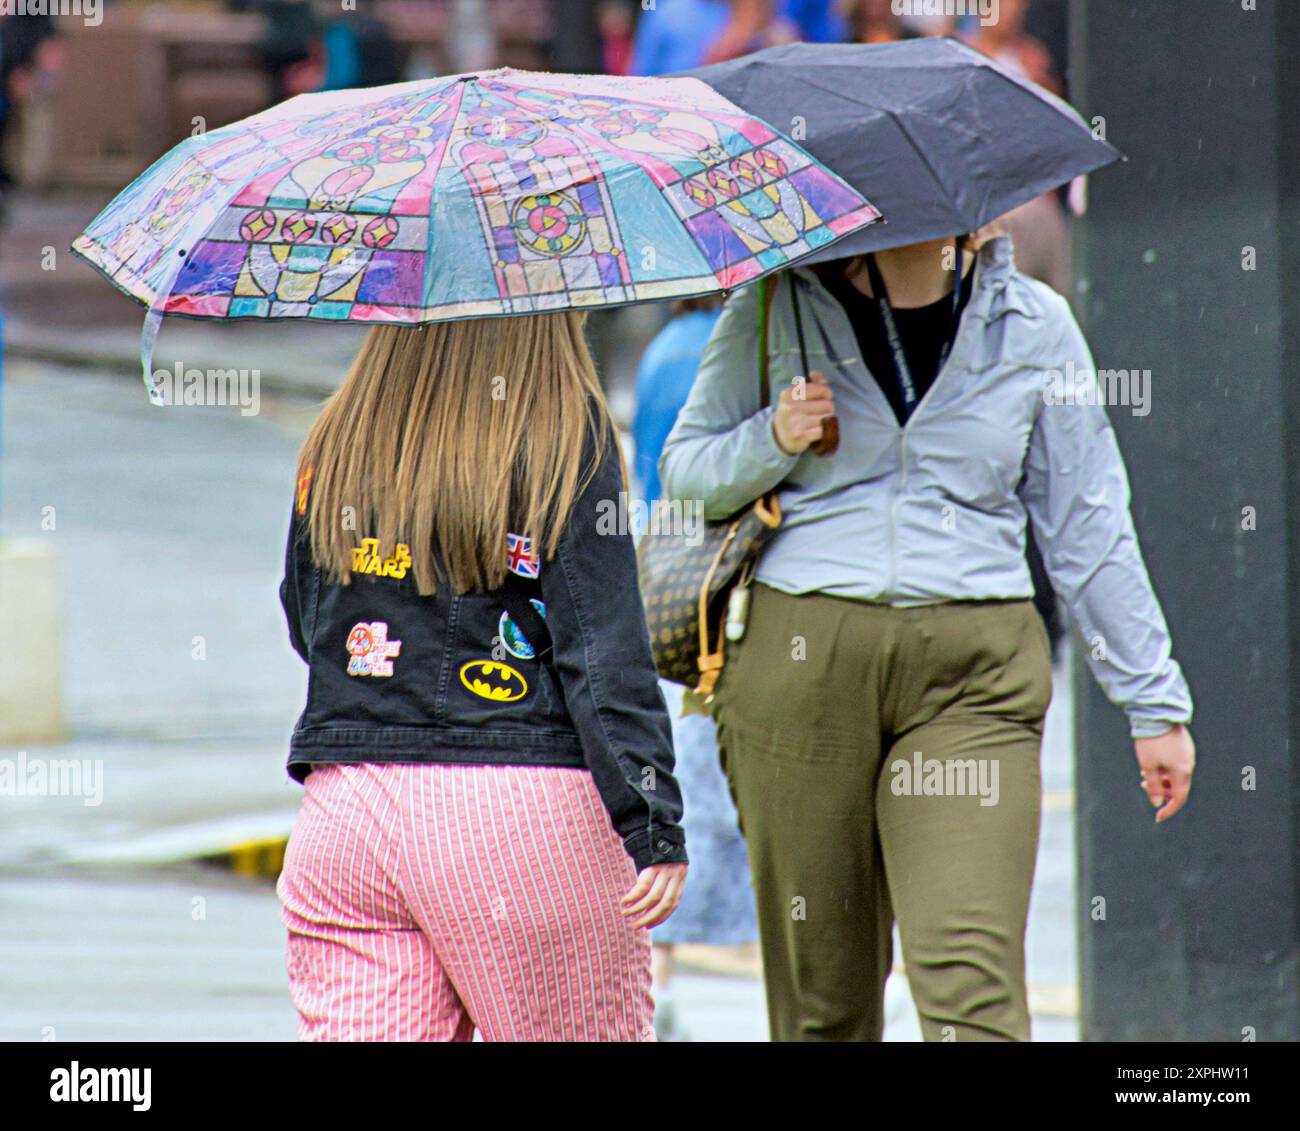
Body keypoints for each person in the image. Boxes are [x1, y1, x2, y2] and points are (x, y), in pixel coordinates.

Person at [660, 231, 1196, 1041]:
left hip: (972, 676)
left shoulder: (1034, 324)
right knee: (821, 1011)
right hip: (800, 667)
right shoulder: (773, 305)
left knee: (972, 1004)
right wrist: (774, 436)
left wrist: (1151, 700)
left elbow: (1089, 525)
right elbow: (686, 477)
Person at [277, 313, 689, 1042]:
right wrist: (650, 811)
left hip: (347, 810)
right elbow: (600, 648)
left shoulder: (338, 434)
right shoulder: (565, 432)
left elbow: (310, 623)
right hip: (519, 806)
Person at [631, 298, 760, 1040]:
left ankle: (660, 973)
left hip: (661, 567)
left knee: (669, 773)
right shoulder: (737, 343)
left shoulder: (658, 352)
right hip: (718, 568)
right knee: (723, 771)